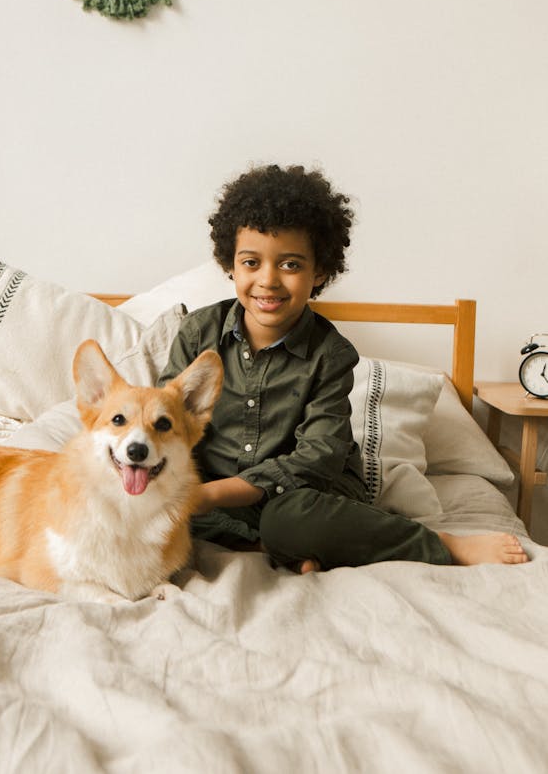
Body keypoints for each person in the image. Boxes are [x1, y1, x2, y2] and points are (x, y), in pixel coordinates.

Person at [158, 164, 528, 573]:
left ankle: (442, 544)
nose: (268, 280)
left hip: (300, 494)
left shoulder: (331, 354)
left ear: (320, 272)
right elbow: (164, 424)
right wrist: (187, 491)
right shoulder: (197, 333)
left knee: (290, 519)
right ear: (231, 264)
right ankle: (277, 547)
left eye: (290, 265)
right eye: (251, 262)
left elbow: (318, 456)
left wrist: (212, 495)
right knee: (145, 501)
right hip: (205, 492)